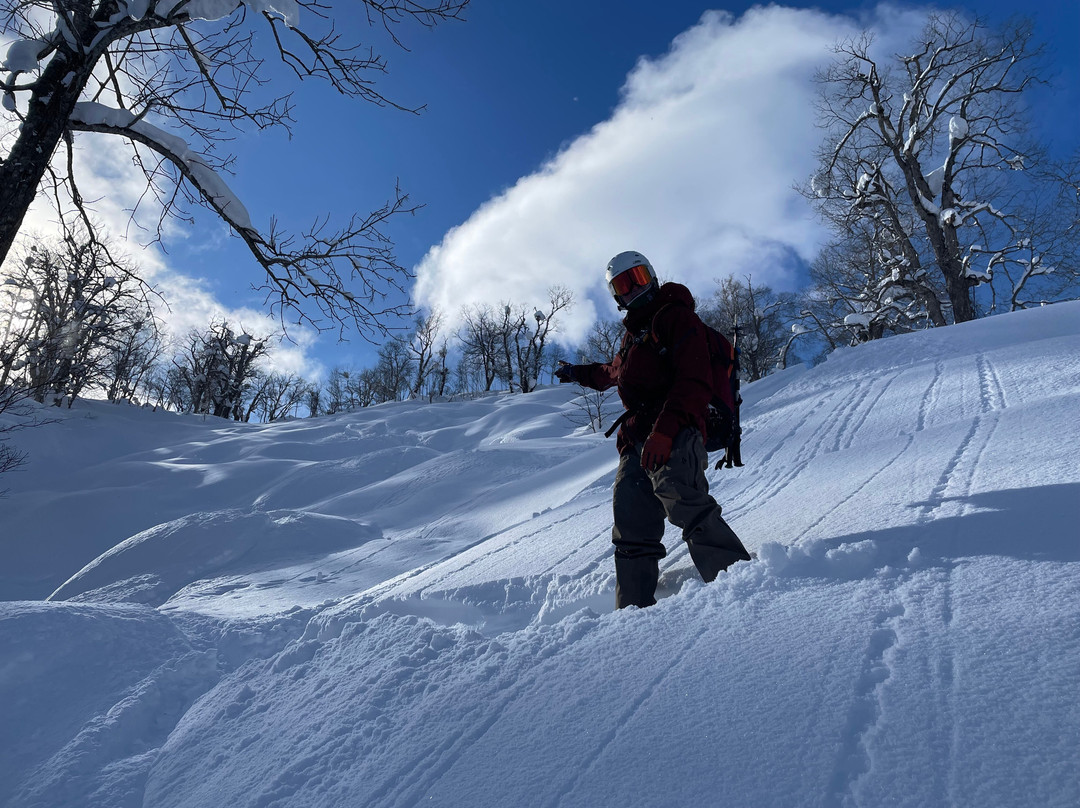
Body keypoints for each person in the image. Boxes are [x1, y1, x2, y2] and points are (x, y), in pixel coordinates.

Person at [556, 251, 752, 608]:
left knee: (683, 500)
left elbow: (693, 380)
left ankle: (743, 589)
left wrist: (665, 430)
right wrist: (575, 372)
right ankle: (632, 615)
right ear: (617, 298)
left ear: (653, 277)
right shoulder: (632, 341)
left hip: (676, 428)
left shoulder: (676, 318)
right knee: (630, 521)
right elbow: (609, 373)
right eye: (623, 285)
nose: (633, 289)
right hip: (637, 441)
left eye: (638, 278)